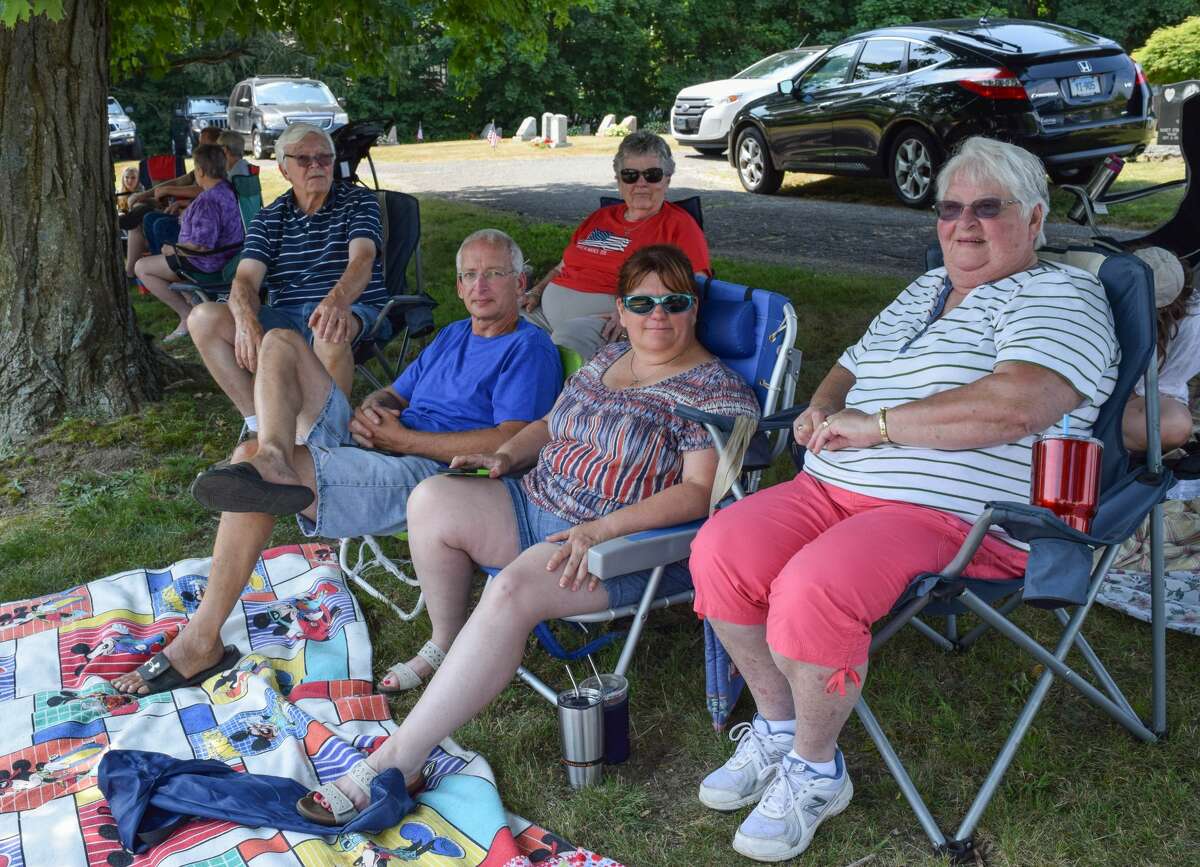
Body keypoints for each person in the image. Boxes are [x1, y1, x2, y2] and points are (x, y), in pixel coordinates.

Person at [687, 137, 1120, 863]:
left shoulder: (1061, 295)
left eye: (989, 208)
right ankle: (778, 724)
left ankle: (818, 771)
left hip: (954, 516)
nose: (964, 225)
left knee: (811, 588)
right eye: (951, 209)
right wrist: (819, 411)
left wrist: (881, 428)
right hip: (831, 485)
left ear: (1037, 218)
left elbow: (1018, 404)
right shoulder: (923, 290)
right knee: (720, 549)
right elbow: (848, 370)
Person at [293, 245, 759, 825]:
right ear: (621, 307)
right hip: (534, 499)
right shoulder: (608, 357)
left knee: (510, 590)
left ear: (694, 309)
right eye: (642, 301)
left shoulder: (716, 392)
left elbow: (698, 493)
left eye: (674, 301)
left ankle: (397, 760)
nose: (656, 314)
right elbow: (546, 423)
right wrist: (503, 455)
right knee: (432, 498)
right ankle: (448, 640)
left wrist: (600, 528)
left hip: (616, 544)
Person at [110, 229, 562, 697]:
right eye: (470, 275)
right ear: (459, 286)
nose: (480, 286)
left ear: (521, 281)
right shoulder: (454, 334)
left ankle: (200, 640)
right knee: (281, 340)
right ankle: (274, 455)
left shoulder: (528, 349)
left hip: (436, 478)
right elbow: (397, 391)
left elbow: (511, 441)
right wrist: (374, 407)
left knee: (244, 462)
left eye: (494, 274)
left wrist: (403, 438)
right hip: (380, 444)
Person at [188, 122, 393, 424]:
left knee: (329, 328)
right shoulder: (269, 217)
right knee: (202, 318)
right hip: (287, 315)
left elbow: (362, 258)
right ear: (284, 170)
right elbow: (245, 279)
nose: (316, 165)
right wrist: (245, 321)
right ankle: (262, 425)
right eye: (304, 159)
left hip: (350, 307)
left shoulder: (358, 202)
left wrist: (335, 302)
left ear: (334, 163)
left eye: (324, 157)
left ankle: (326, 437)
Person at [521, 131, 711, 360]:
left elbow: (696, 285)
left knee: (562, 349)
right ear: (619, 181)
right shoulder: (600, 218)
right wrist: (536, 291)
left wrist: (635, 314)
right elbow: (561, 268)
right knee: (500, 324)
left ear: (667, 179)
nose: (641, 184)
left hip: (610, 323)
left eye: (652, 175)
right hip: (544, 313)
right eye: (630, 175)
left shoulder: (679, 226)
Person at [133, 144, 245, 343]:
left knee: (142, 267)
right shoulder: (225, 189)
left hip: (206, 263)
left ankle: (186, 314)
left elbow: (202, 246)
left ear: (200, 171)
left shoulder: (208, 201)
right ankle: (190, 300)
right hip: (226, 256)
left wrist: (173, 249)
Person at [121, 125, 224, 281]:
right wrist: (146, 194)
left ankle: (166, 272)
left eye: (205, 143)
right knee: (149, 217)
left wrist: (175, 197)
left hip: (202, 242)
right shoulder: (208, 168)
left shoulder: (217, 177)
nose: (200, 146)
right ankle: (157, 269)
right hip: (193, 220)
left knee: (158, 223)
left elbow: (205, 192)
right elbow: (182, 181)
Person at [1121, 246, 1197, 452]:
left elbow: (1162, 385)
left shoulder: (1193, 323)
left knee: (1174, 425)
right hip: (1096, 393)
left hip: (1143, 398)